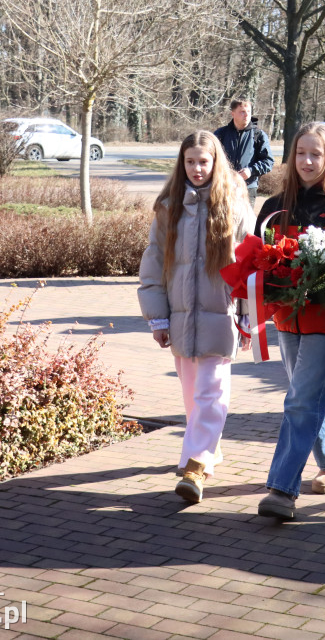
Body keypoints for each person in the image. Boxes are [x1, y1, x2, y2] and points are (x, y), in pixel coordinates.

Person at [138, 131, 254, 504]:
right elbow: (154, 262)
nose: (197, 169)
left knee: (210, 393)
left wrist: (250, 317)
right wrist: (157, 317)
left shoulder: (235, 204)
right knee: (193, 397)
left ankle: (196, 465)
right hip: (181, 316)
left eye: (204, 161)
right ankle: (209, 450)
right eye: (190, 161)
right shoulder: (169, 205)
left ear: (215, 162)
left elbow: (253, 264)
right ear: (181, 163)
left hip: (222, 315)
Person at [255, 122, 325, 522]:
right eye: (301, 153)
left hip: (324, 316)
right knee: (307, 392)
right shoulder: (274, 207)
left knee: (300, 399)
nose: (307, 161)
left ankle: (282, 489)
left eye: (316, 154)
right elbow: (257, 259)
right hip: (285, 315)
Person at [214, 98, 275, 207]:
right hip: (223, 186)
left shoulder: (258, 135)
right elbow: (209, 159)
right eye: (242, 112)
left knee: (245, 223)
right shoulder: (220, 134)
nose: (246, 115)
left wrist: (251, 171)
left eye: (249, 112)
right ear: (233, 113)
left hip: (248, 188)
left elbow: (268, 162)